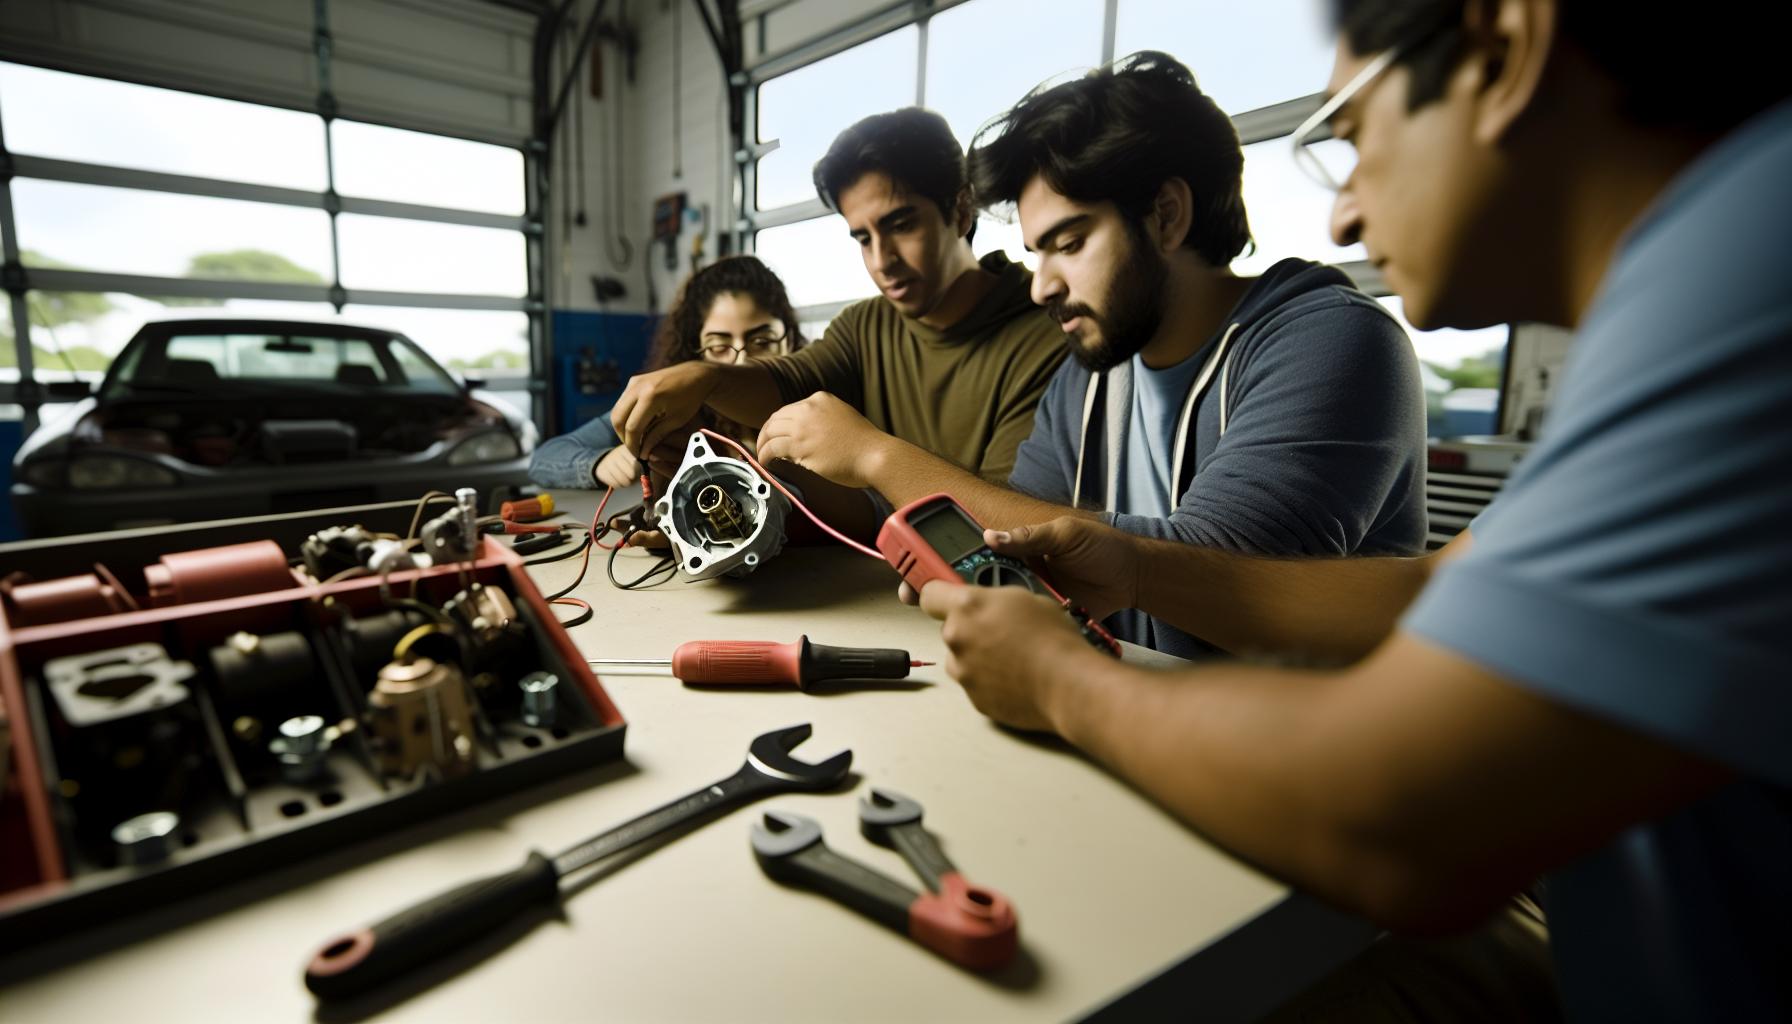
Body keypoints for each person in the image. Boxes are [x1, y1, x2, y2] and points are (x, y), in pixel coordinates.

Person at [917, 0, 1792, 1018]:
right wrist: (1142, 569)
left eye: (1351, 136)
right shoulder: (1691, 283)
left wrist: (1058, 679)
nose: (1340, 216)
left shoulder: (1749, 268)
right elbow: (1435, 580)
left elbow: (1401, 821)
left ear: (1503, 51)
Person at [758, 53, 1427, 658]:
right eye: (1036, 253)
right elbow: (1026, 532)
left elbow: (1222, 575)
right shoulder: (1090, 373)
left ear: (1166, 214)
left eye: (1070, 243)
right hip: (1137, 719)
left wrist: (878, 456)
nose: (1043, 284)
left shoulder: (1332, 342)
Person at [610, 107, 1066, 536]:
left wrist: (870, 454)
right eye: (863, 238)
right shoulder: (866, 325)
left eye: (902, 225)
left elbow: (1011, 525)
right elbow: (786, 382)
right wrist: (704, 379)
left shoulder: (1048, 334)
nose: (881, 260)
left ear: (962, 210)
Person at [529, 256, 802, 490]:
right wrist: (598, 463)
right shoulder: (675, 407)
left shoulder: (818, 397)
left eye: (763, 343)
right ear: (696, 351)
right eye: (719, 346)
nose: (741, 362)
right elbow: (545, 458)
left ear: (790, 338)